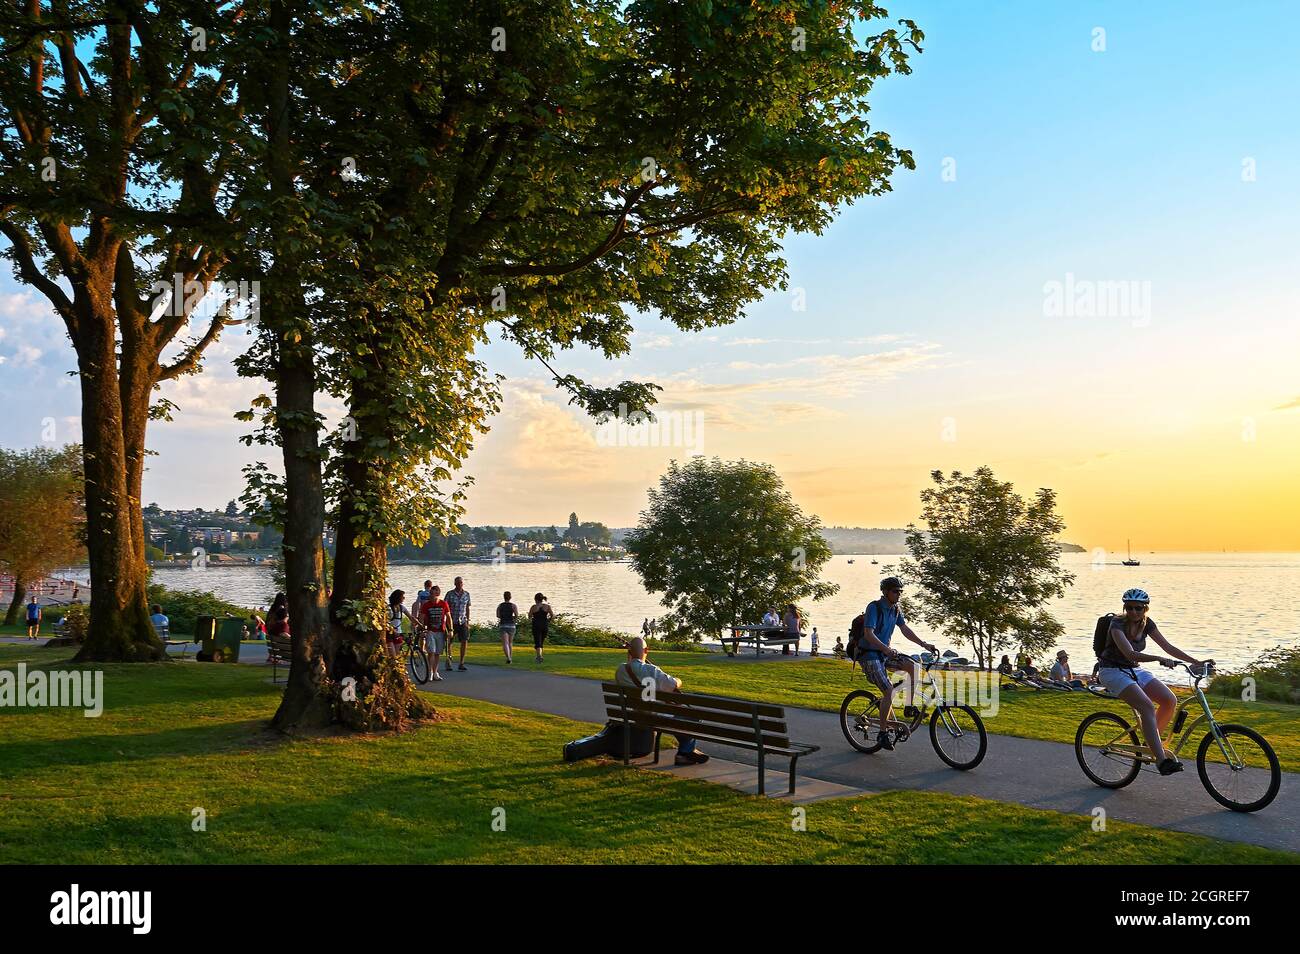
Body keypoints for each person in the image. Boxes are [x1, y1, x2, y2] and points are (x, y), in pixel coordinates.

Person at [1096, 588, 1210, 776]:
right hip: (1111, 671)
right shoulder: (1116, 624)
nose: (1133, 612)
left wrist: (1196, 662)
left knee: (1169, 700)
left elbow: (1168, 647)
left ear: (1145, 609)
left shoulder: (1147, 624)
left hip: (1134, 670)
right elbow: (1130, 653)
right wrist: (1159, 658)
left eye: (1138, 608)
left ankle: (1151, 745)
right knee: (1147, 707)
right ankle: (1161, 761)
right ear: (1125, 608)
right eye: (1129, 607)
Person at [860, 577, 937, 751]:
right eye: (895, 591)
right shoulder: (874, 607)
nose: (899, 594)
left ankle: (909, 708)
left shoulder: (895, 610)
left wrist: (924, 644)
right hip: (870, 656)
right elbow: (868, 634)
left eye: (900, 591)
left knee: (913, 667)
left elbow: (905, 630)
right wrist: (886, 649)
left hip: (885, 654)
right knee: (888, 691)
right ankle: (882, 733)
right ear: (886, 592)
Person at [614, 636, 709, 765]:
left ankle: (687, 751)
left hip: (637, 715)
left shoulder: (621, 670)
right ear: (646, 650)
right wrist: (679, 680)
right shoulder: (652, 670)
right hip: (657, 716)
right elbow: (673, 684)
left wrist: (632, 656)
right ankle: (685, 752)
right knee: (693, 716)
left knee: (683, 716)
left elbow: (631, 668)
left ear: (629, 652)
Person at [418, 585, 451, 680]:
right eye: (430, 594)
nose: (430, 596)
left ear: (438, 594)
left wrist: (450, 630)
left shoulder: (444, 604)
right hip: (430, 631)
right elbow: (422, 617)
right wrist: (422, 629)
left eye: (432, 594)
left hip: (441, 631)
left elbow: (448, 617)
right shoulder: (426, 605)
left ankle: (435, 671)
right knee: (431, 652)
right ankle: (430, 672)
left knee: (437, 653)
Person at [446, 576, 471, 672]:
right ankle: (449, 661)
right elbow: (445, 607)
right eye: (457, 583)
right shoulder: (450, 594)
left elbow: (468, 608)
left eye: (461, 582)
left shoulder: (466, 594)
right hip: (452, 621)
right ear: (454, 584)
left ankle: (461, 663)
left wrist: (468, 621)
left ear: (462, 583)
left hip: (463, 621)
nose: (459, 584)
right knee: (449, 642)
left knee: (464, 641)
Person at [385, 590, 418, 660]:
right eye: (402, 597)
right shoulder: (388, 608)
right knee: (392, 655)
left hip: (398, 633)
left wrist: (419, 625)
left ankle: (395, 668)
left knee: (397, 655)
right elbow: (385, 622)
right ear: (398, 598)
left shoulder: (401, 607)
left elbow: (411, 617)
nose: (404, 598)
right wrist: (393, 630)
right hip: (389, 634)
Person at [529, 592, 554, 664]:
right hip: (544, 625)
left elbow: (529, 616)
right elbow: (552, 615)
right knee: (541, 641)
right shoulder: (547, 606)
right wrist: (548, 621)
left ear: (535, 599)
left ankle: (539, 656)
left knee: (537, 641)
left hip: (536, 625)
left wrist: (532, 620)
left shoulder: (534, 607)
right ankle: (539, 656)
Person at [497, 591, 518, 663]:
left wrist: (503, 616)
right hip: (511, 625)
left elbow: (498, 615)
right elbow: (516, 615)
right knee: (510, 643)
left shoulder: (500, 605)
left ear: (504, 597)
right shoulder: (513, 605)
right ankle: (510, 658)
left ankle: (508, 658)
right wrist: (512, 617)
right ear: (510, 597)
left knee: (505, 643)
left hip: (503, 625)